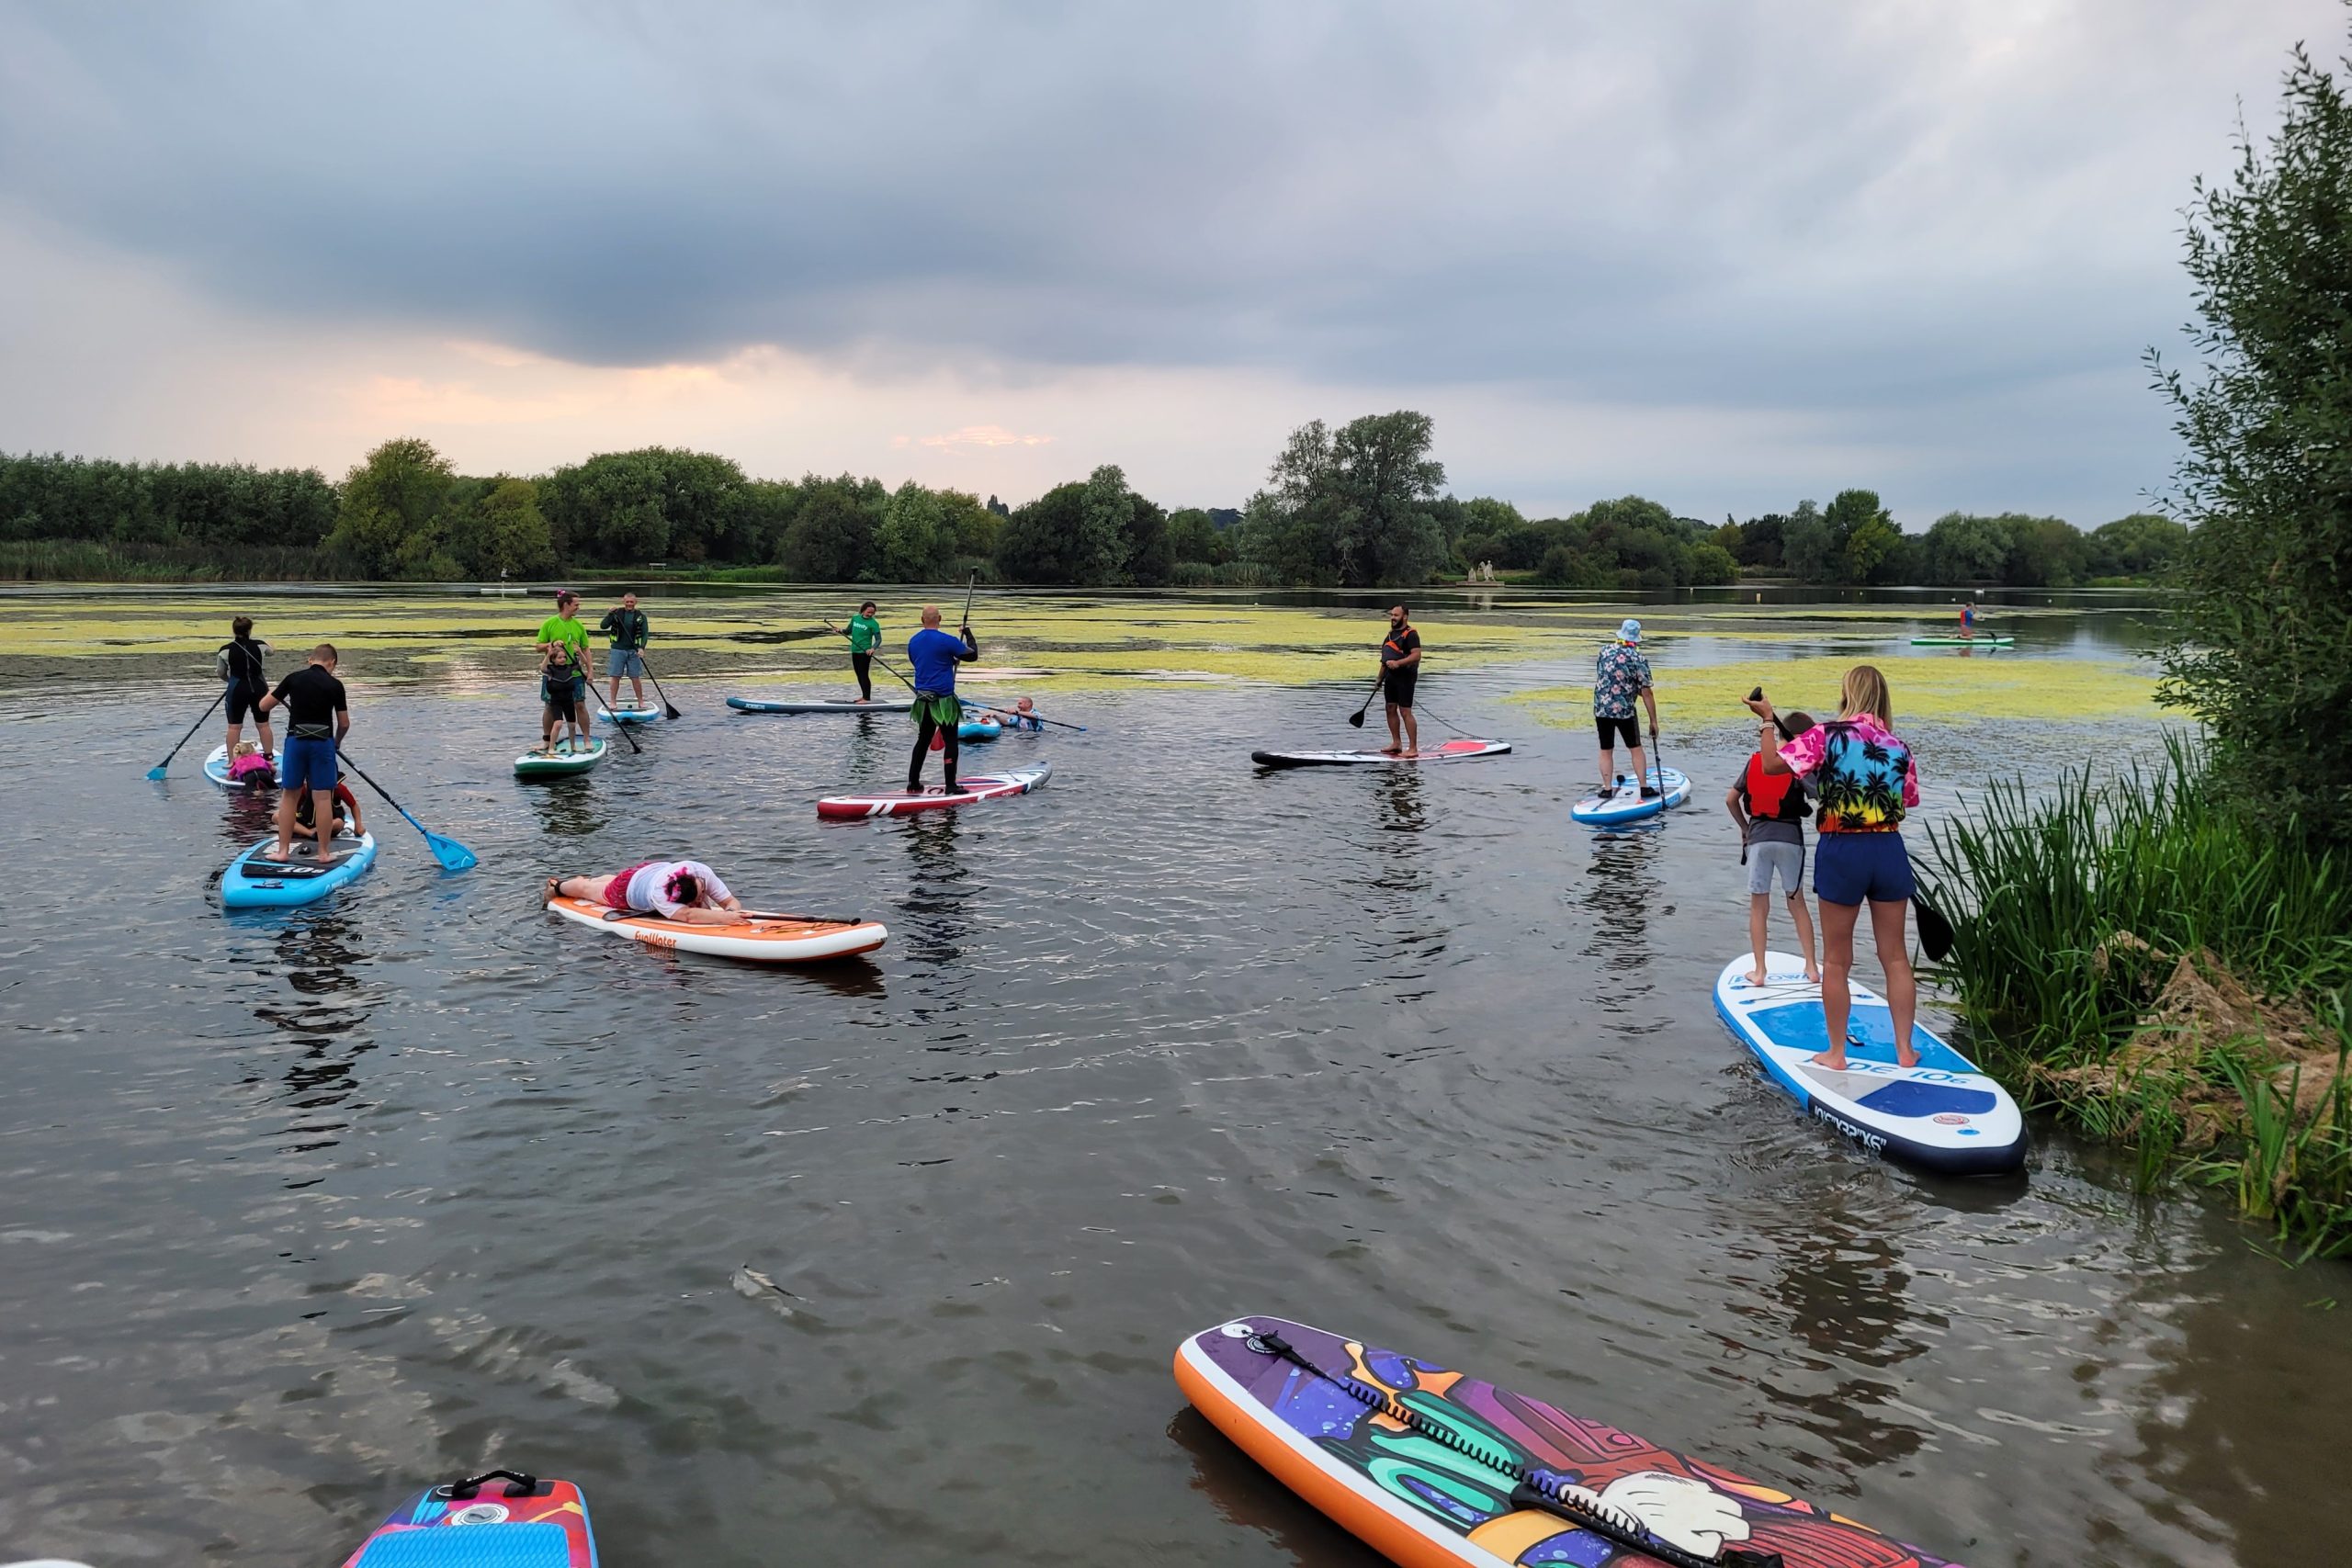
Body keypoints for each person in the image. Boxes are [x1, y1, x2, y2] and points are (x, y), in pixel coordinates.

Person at [1747, 666, 1921, 1070]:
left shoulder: (1826, 735)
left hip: (1843, 849)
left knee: (1838, 961)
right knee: (1895, 957)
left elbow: (1772, 765)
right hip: (1889, 849)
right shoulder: (1899, 746)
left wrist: (1768, 720)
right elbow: (1909, 801)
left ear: (1847, 695)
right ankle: (1905, 1051)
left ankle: (1837, 1054)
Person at [1725, 711, 1821, 987]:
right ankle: (1812, 967)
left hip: (1758, 840)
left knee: (1759, 907)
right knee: (1797, 903)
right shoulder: (1798, 765)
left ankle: (1759, 971)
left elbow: (1731, 799)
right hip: (1790, 839)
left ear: (1778, 735)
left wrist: (1745, 829)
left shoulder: (1756, 761)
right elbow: (1818, 795)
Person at [254, 644, 349, 864]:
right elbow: (344, 723)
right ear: (332, 662)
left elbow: (264, 706)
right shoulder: (335, 685)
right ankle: (324, 853)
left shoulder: (293, 678)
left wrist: (273, 691)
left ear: (310, 660)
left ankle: (283, 851)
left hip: (296, 742)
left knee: (289, 796)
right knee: (323, 798)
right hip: (322, 743)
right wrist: (336, 743)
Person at [906, 604, 978, 794]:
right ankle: (951, 785)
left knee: (923, 739)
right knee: (951, 740)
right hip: (944, 700)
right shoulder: (948, 640)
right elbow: (973, 655)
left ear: (922, 620)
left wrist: (948, 660)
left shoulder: (913, 641)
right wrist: (968, 633)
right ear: (940, 619)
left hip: (923, 699)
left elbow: (919, 662)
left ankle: (913, 783)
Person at [548, 859, 743, 925]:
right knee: (587, 889)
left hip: (648, 872)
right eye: (700, 895)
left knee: (603, 883)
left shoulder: (700, 872)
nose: (703, 895)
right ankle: (557, 886)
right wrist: (723, 919)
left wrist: (731, 912)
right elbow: (689, 916)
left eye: (703, 891)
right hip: (625, 890)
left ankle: (596, 879)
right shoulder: (661, 896)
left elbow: (730, 901)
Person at [1594, 618, 1661, 797]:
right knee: (1635, 748)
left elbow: (1605, 677)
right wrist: (1653, 721)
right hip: (1624, 711)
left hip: (1602, 709)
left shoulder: (1604, 651)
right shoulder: (1638, 658)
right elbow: (1647, 693)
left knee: (1606, 749)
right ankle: (1644, 787)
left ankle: (1607, 789)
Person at [535, 591, 594, 754]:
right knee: (549, 706)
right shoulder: (550, 623)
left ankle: (587, 739)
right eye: (576, 605)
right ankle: (547, 740)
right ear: (566, 604)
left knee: (580, 704)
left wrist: (590, 671)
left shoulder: (578, 625)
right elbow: (538, 646)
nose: (578, 608)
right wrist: (551, 644)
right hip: (553, 674)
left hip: (574, 673)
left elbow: (586, 649)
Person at [218, 615, 274, 761]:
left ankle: (232, 761)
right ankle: (269, 758)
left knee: (234, 727)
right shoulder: (261, 645)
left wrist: (229, 681)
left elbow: (221, 672)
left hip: (237, 689)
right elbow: (271, 652)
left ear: (233, 630)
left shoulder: (225, 650)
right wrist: (271, 644)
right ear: (250, 630)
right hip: (259, 688)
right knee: (263, 725)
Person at [1379, 604, 1422, 755]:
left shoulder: (1411, 634)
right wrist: (1379, 680)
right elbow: (1384, 660)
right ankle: (1396, 743)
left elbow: (1416, 656)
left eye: (1396, 615)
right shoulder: (1390, 635)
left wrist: (1398, 663)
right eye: (1391, 615)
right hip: (1390, 678)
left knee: (1405, 711)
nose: (1392, 618)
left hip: (1406, 677)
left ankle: (1413, 748)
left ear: (1405, 616)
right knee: (1390, 708)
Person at [599, 591, 650, 710]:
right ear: (623, 602)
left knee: (635, 677)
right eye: (627, 602)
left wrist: (642, 648)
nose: (629, 604)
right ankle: (612, 702)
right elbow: (603, 626)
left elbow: (645, 634)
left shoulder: (641, 617)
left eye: (631, 602)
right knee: (615, 676)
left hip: (633, 651)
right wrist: (610, 614)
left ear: (636, 602)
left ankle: (641, 701)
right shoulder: (616, 614)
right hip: (618, 650)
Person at [292, 768, 366, 840]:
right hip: (307, 822)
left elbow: (354, 806)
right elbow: (294, 808)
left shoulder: (338, 788)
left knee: (338, 822)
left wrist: (358, 825)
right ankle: (310, 833)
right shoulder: (304, 788)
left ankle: (309, 832)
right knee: (281, 816)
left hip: (328, 823)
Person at [842, 601, 882, 702]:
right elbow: (848, 631)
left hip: (865, 652)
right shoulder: (855, 618)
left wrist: (872, 649)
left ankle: (866, 698)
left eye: (872, 613)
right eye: (868, 612)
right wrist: (840, 631)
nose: (870, 614)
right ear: (863, 610)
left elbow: (878, 639)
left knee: (864, 674)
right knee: (859, 674)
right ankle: (864, 696)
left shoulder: (874, 624)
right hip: (855, 650)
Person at [976, 696, 1043, 731]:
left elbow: (1035, 716)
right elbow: (1006, 723)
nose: (1018, 706)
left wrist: (1017, 712)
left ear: (1028, 704)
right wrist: (995, 716)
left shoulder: (1035, 713)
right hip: (1024, 736)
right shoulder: (1018, 717)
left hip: (1036, 736)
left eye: (1020, 703)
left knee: (1023, 721)